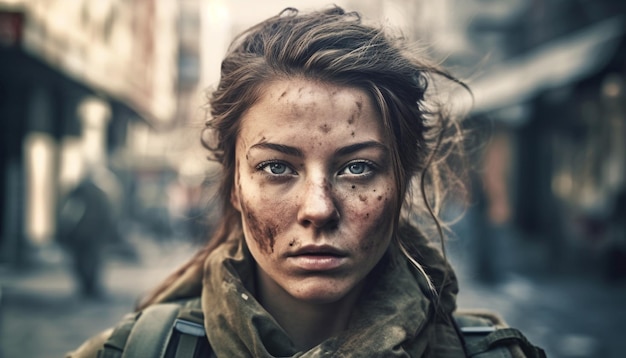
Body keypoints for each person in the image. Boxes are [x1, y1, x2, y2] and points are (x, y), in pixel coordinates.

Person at [67, 6, 544, 357]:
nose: (318, 209)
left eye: (357, 168)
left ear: (400, 182)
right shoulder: (134, 350)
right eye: (277, 167)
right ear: (235, 183)